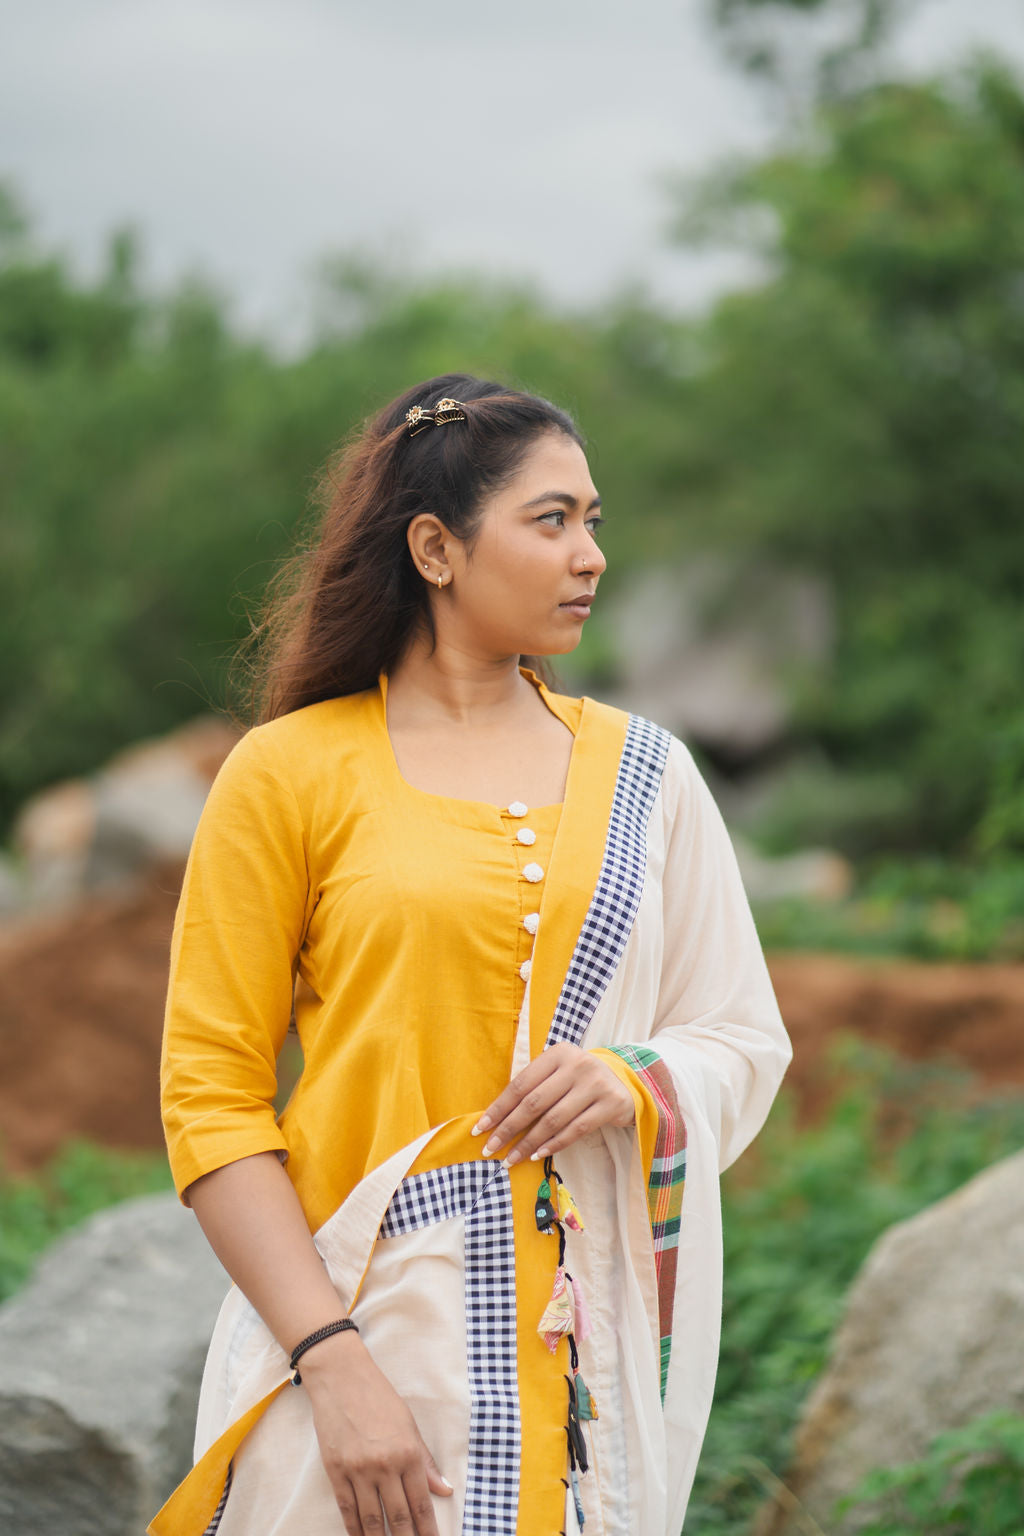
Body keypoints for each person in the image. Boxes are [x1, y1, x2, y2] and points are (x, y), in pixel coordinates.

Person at [152, 374, 791, 1536]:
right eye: (551, 522)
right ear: (437, 550)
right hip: (354, 1362)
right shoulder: (288, 774)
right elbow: (210, 1099)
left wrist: (628, 1076)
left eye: (593, 520)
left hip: (579, 1376)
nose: (590, 555)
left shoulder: (648, 779)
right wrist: (333, 1366)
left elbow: (743, 1036)